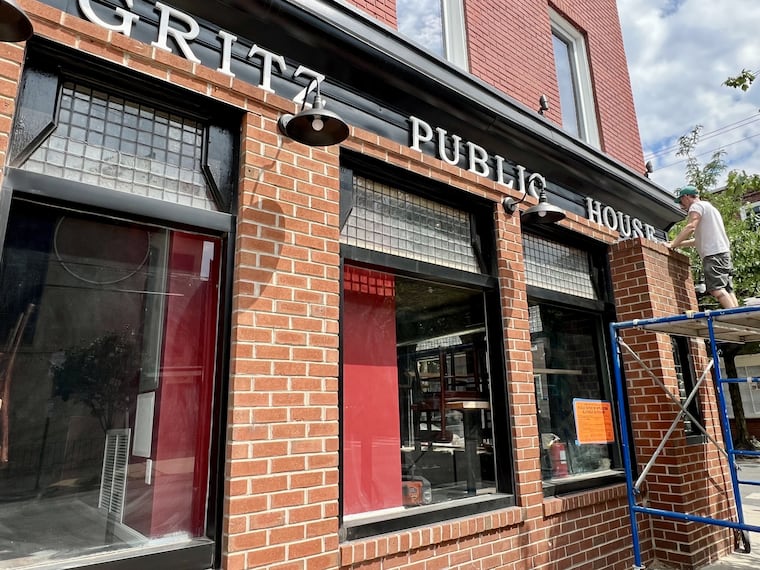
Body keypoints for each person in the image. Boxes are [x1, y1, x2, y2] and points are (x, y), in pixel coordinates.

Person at [668, 185, 738, 309]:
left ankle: (734, 315)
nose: (681, 205)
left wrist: (672, 244)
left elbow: (691, 227)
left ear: (687, 197)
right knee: (727, 289)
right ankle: (741, 316)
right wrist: (677, 243)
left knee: (715, 289)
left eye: (681, 201)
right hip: (723, 253)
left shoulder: (696, 206)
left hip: (713, 254)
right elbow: (698, 240)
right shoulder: (711, 209)